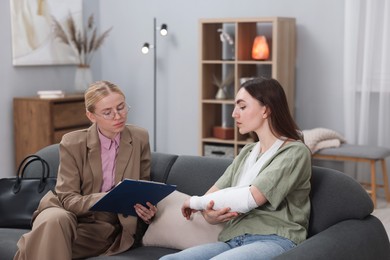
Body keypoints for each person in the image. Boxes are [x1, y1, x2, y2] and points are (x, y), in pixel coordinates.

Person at [161, 78, 312, 260]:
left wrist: (195, 203)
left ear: (266, 109)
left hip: (274, 238)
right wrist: (210, 214)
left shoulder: (294, 152)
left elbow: (250, 197)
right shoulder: (247, 152)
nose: (234, 114)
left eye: (242, 107)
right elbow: (210, 199)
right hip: (234, 239)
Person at [14, 80, 156, 260]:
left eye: (121, 107)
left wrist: (147, 211)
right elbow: (67, 199)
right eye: (107, 112)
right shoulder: (72, 143)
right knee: (54, 220)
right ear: (91, 116)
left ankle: (30, 245)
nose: (117, 116)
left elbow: (142, 188)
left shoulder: (139, 138)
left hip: (101, 226)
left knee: (42, 244)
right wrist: (109, 197)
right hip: (64, 211)